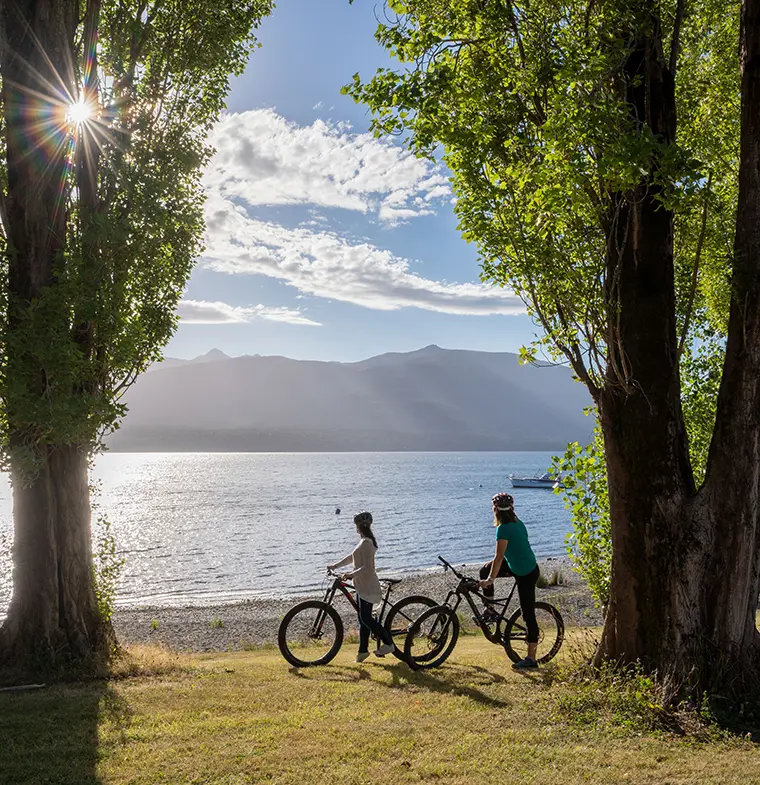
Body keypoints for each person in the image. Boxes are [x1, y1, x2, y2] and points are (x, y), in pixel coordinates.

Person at [479, 492, 540, 670]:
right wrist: (489, 574)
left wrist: (491, 579)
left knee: (528, 614)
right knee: (483, 569)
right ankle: (490, 610)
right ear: (511, 508)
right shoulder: (516, 522)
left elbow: (498, 558)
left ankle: (531, 659)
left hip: (526, 572)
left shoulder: (504, 528)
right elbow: (503, 558)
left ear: (495, 509)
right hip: (516, 564)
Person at [327, 510, 395, 663]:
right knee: (362, 618)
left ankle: (388, 643)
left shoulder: (366, 543)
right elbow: (352, 557)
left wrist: (350, 574)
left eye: (356, 526)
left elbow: (368, 568)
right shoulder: (364, 541)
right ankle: (363, 651)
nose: (355, 529)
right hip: (362, 586)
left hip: (368, 586)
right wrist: (335, 566)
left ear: (359, 527)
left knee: (365, 618)